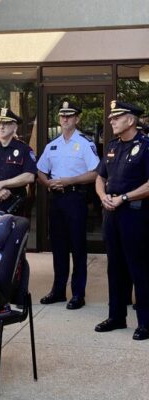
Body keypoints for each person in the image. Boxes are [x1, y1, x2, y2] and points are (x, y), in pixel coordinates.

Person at [94, 100, 149, 340]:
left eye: (117, 117)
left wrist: (125, 197)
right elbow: (100, 176)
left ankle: (146, 322)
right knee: (114, 267)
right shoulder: (112, 146)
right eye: (111, 117)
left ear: (131, 120)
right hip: (111, 213)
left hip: (135, 214)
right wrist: (103, 195)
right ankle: (116, 317)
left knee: (140, 268)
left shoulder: (146, 147)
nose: (111, 121)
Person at [37, 100, 100, 310]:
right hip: (56, 199)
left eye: (69, 115)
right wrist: (47, 183)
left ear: (77, 118)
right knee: (59, 247)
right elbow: (40, 169)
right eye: (62, 115)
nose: (65, 119)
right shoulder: (52, 144)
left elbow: (95, 173)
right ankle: (58, 290)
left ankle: (78, 294)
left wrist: (69, 181)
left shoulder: (84, 143)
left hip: (75, 198)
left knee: (77, 247)